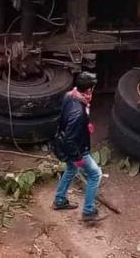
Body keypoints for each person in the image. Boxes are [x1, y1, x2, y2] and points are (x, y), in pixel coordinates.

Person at [52, 71, 105, 222]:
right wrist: (78, 158)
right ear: (90, 89)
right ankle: (88, 211)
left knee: (70, 169)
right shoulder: (78, 113)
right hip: (75, 147)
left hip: (62, 141)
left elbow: (66, 120)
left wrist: (85, 126)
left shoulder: (70, 95)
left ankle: (59, 200)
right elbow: (70, 138)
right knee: (95, 175)